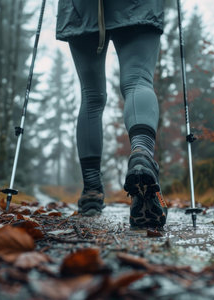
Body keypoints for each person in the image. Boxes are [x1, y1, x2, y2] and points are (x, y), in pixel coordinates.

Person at [56, 0, 168, 228]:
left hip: (81, 7)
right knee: (137, 79)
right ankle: (142, 154)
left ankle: (91, 190)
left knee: (91, 96)